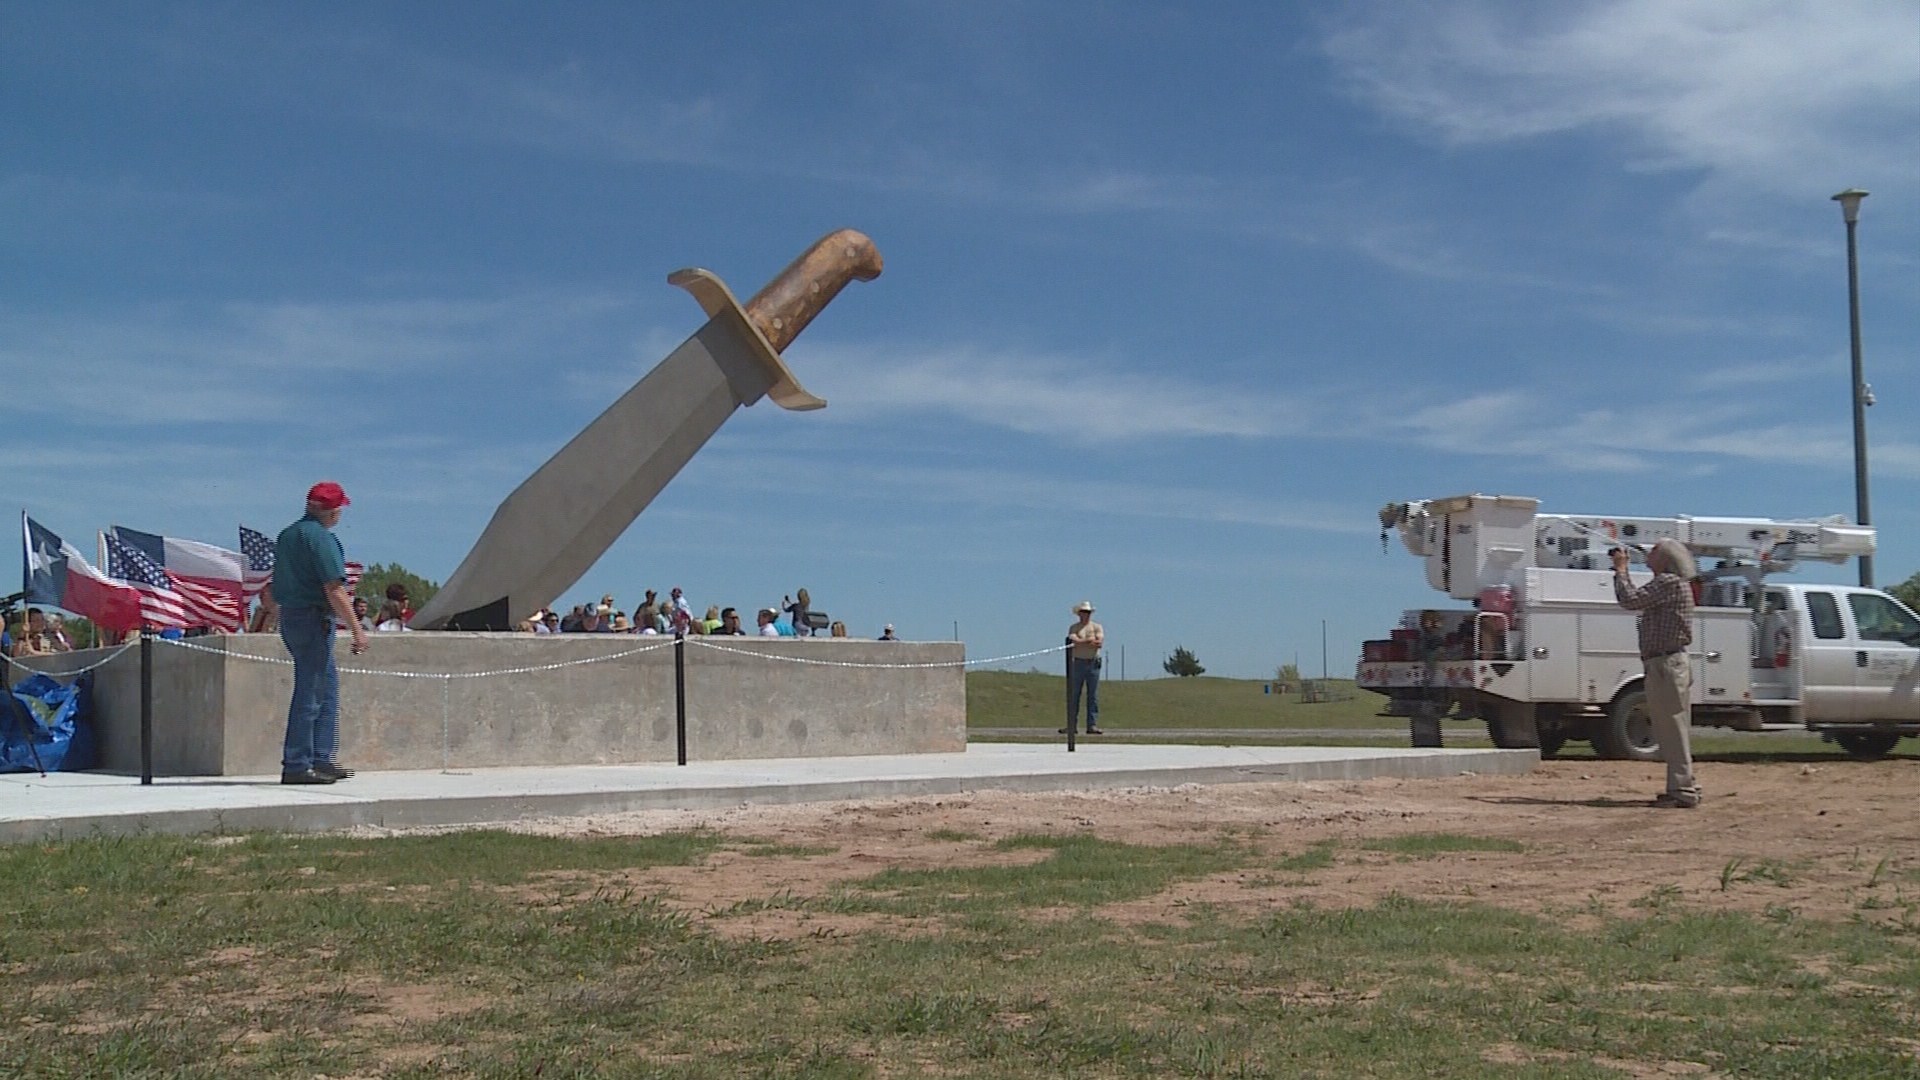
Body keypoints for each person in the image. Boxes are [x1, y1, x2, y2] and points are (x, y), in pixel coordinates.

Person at [275, 481, 367, 785]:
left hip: (292, 616)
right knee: (311, 691)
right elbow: (334, 588)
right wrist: (357, 629)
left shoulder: (287, 535)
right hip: (313, 618)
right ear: (333, 511)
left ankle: (320, 757)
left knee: (325, 689)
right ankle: (297, 763)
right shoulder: (321, 538)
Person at [1613, 539, 1701, 808]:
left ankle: (1683, 790)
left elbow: (1630, 600)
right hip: (1666, 662)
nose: (1648, 555)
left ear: (1665, 558)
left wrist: (1621, 570)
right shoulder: (1671, 584)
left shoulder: (1668, 582)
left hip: (1666, 663)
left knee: (1671, 728)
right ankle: (1682, 785)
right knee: (1670, 728)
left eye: (1653, 551)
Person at [1061, 601, 1105, 735]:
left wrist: (1082, 642)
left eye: (1088, 612)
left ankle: (1092, 725)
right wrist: (1088, 641)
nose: (1086, 614)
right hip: (1078, 663)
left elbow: (1099, 643)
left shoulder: (1097, 627)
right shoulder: (1074, 627)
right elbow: (1073, 640)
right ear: (1079, 614)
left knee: (1093, 695)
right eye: (1084, 612)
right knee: (1074, 695)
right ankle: (1072, 725)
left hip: (1093, 662)